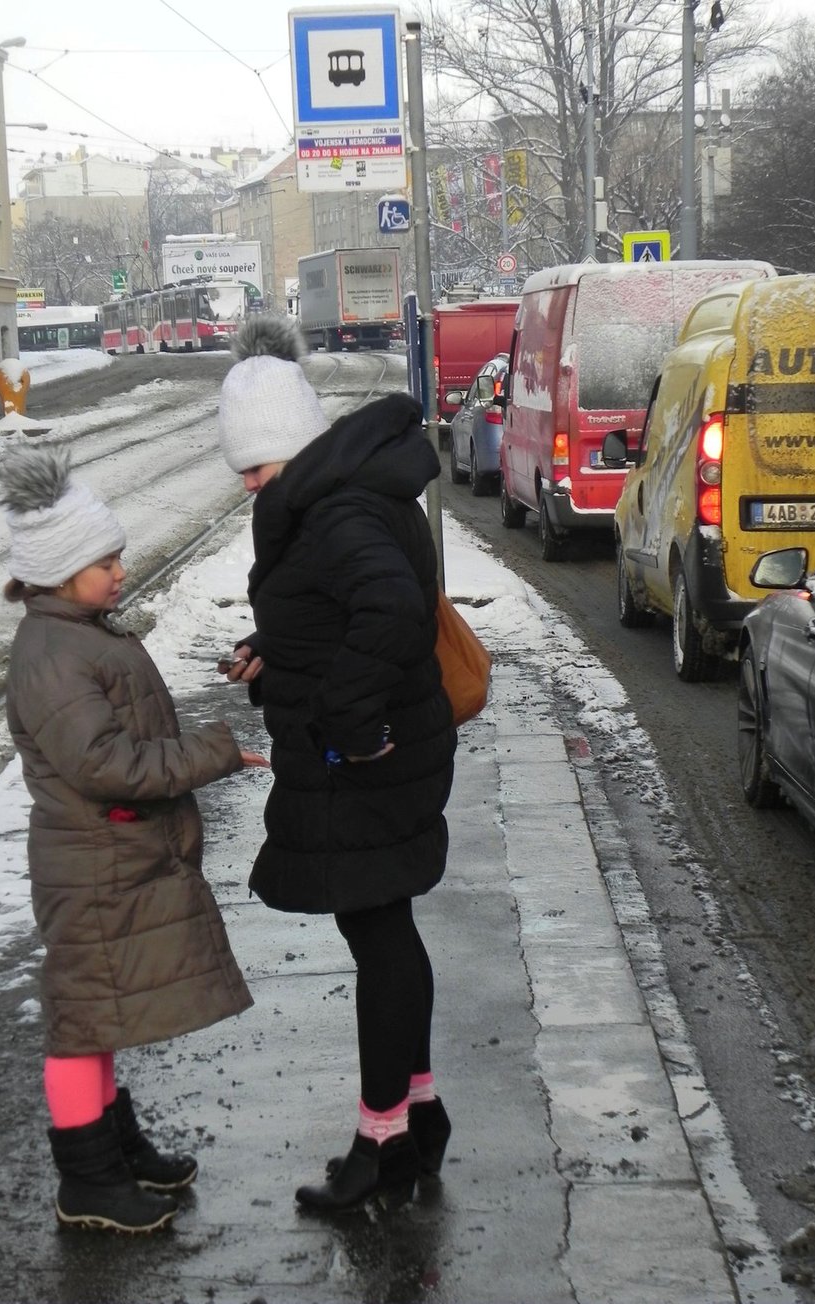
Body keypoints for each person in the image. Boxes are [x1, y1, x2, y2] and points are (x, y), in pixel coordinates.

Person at [0, 445, 269, 1235]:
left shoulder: (78, 634)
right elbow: (105, 763)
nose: (119, 571)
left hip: (109, 860)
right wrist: (212, 752)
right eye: (102, 561)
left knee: (102, 1013)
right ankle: (85, 1178)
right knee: (82, 1022)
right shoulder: (53, 654)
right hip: (92, 866)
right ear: (56, 569)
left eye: (115, 556)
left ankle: (114, 1150)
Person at [216, 315, 457, 1213]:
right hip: (382, 754)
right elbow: (341, 604)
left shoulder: (336, 506)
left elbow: (391, 611)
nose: (249, 482)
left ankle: (381, 1143)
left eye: (256, 463)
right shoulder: (337, 492)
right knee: (387, 932)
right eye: (239, 466)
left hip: (367, 760)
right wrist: (273, 643)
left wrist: (351, 722)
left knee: (379, 940)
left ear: (292, 442)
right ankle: (417, 1116)